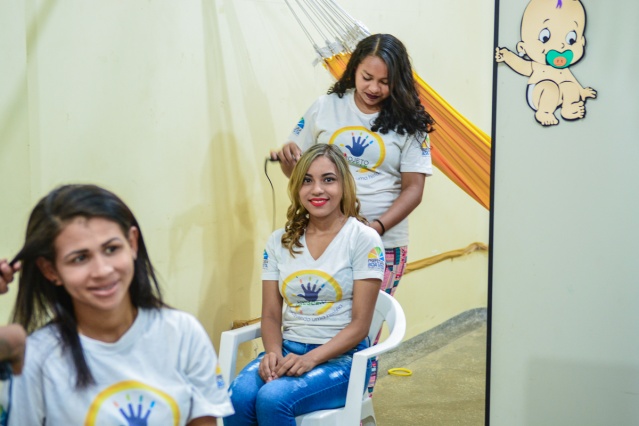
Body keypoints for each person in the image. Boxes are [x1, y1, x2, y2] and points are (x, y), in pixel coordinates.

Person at [271, 33, 433, 392]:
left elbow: (414, 190)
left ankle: (356, 406)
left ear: (399, 81)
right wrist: (287, 159)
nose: (373, 88)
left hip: (381, 245)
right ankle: (313, 398)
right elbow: (300, 172)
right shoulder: (325, 107)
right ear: (353, 70)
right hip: (323, 239)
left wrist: (375, 228)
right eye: (366, 77)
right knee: (324, 325)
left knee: (362, 333)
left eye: (384, 82)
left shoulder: (412, 123)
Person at [2, 184, 234, 425]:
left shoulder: (183, 333)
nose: (102, 270)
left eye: (111, 249)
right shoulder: (36, 358)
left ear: (132, 243)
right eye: (80, 258)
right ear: (50, 270)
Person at [225, 144, 385, 426]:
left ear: (344, 186)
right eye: (307, 180)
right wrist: (273, 353)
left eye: (328, 179)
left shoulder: (363, 239)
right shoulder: (278, 242)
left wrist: (311, 359)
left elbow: (360, 325)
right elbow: (271, 315)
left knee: (273, 399)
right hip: (288, 350)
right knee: (236, 399)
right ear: (297, 187)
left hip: (344, 361)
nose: (317, 189)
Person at [495, 0, 596, 126]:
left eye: (571, 39)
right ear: (522, 47)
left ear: (582, 41)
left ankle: (569, 108)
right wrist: (507, 56)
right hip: (538, 95)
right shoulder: (537, 66)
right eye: (545, 38)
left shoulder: (563, 69)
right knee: (549, 87)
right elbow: (521, 65)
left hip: (558, 98)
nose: (561, 46)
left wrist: (582, 91)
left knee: (570, 86)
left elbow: (573, 80)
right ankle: (544, 112)